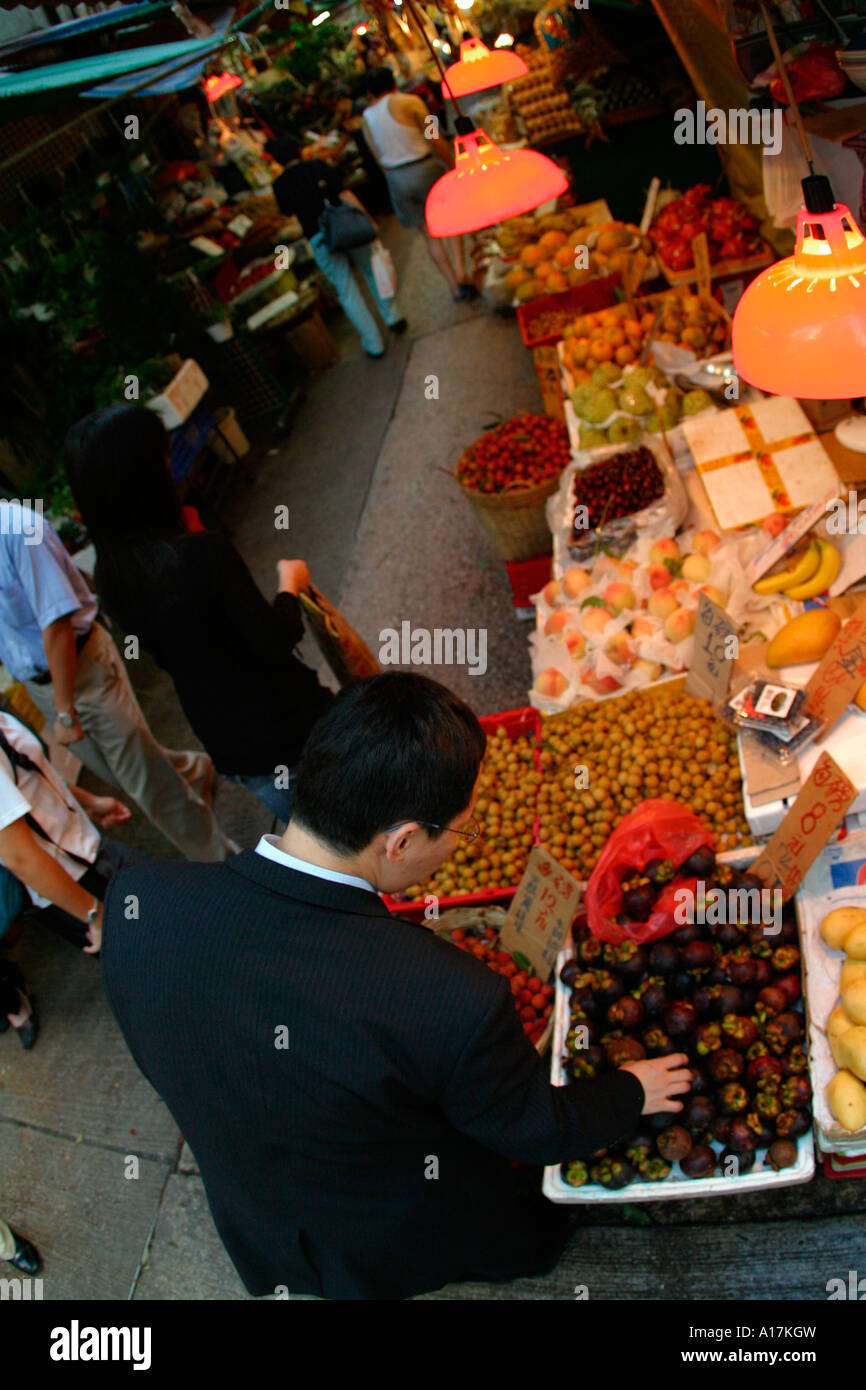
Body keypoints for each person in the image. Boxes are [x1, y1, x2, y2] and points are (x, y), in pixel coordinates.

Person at [101, 672, 691, 1301]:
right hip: (402, 1229)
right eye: (458, 831)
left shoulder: (140, 902)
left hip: (261, 1224)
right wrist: (630, 1090)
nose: (459, 845)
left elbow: (165, 1053)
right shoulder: (450, 997)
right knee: (517, 1240)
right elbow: (532, 1129)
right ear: (403, 839)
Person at [64, 405, 335, 824]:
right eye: (162, 456)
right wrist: (289, 582)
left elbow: (185, 643)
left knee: (319, 839)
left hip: (230, 743)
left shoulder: (109, 573)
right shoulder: (200, 555)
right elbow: (273, 640)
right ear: (144, 476)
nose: (172, 466)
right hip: (291, 729)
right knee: (362, 822)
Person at [0, 504, 235, 863]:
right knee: (127, 773)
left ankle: (224, 866)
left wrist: (65, 713)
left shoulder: (19, 529)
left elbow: (58, 624)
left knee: (149, 787)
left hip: (82, 670)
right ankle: (193, 771)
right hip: (38, 681)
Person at [266, 133, 406, 359]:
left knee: (346, 289)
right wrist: (367, 218)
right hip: (347, 227)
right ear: (299, 149)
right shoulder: (317, 165)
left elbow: (287, 213)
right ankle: (393, 316)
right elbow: (345, 193)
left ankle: (373, 342)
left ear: (277, 159)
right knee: (372, 270)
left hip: (319, 238)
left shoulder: (279, 184)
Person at [362, 66, 475, 303]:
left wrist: (396, 178)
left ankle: (454, 287)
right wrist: (453, 165)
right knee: (451, 221)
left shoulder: (367, 118)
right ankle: (462, 271)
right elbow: (435, 137)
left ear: (370, 92)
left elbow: (377, 156)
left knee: (429, 235)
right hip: (424, 169)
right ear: (393, 82)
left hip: (397, 177)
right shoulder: (411, 102)